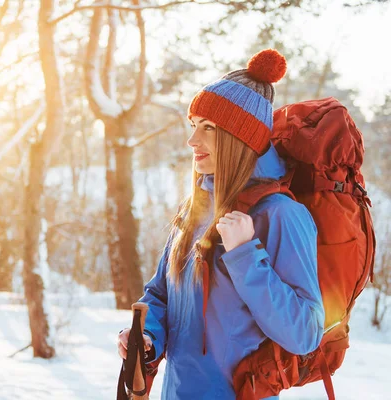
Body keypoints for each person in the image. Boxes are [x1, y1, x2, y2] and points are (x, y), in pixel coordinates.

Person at [117, 49, 325, 399]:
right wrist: (147, 336)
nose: (192, 141)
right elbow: (160, 294)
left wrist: (245, 255)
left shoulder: (280, 216)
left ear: (239, 138)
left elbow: (305, 333)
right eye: (194, 126)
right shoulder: (195, 209)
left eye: (209, 128)